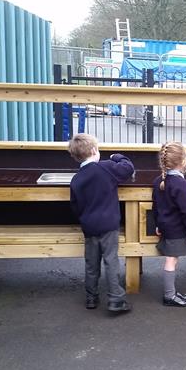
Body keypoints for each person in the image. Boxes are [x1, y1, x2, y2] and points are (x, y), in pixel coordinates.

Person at [68, 133, 135, 313]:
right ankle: (116, 300)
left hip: (89, 227)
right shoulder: (106, 167)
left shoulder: (76, 179)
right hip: (108, 225)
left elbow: (75, 205)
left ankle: (91, 297)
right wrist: (116, 156)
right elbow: (128, 167)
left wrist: (84, 219)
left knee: (91, 263)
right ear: (94, 150)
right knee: (111, 260)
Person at [152, 141, 186, 307]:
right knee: (171, 260)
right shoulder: (182, 185)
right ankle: (169, 296)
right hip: (176, 229)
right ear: (183, 161)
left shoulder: (158, 181)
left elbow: (155, 206)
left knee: (172, 259)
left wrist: (157, 225)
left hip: (164, 226)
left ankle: (172, 293)